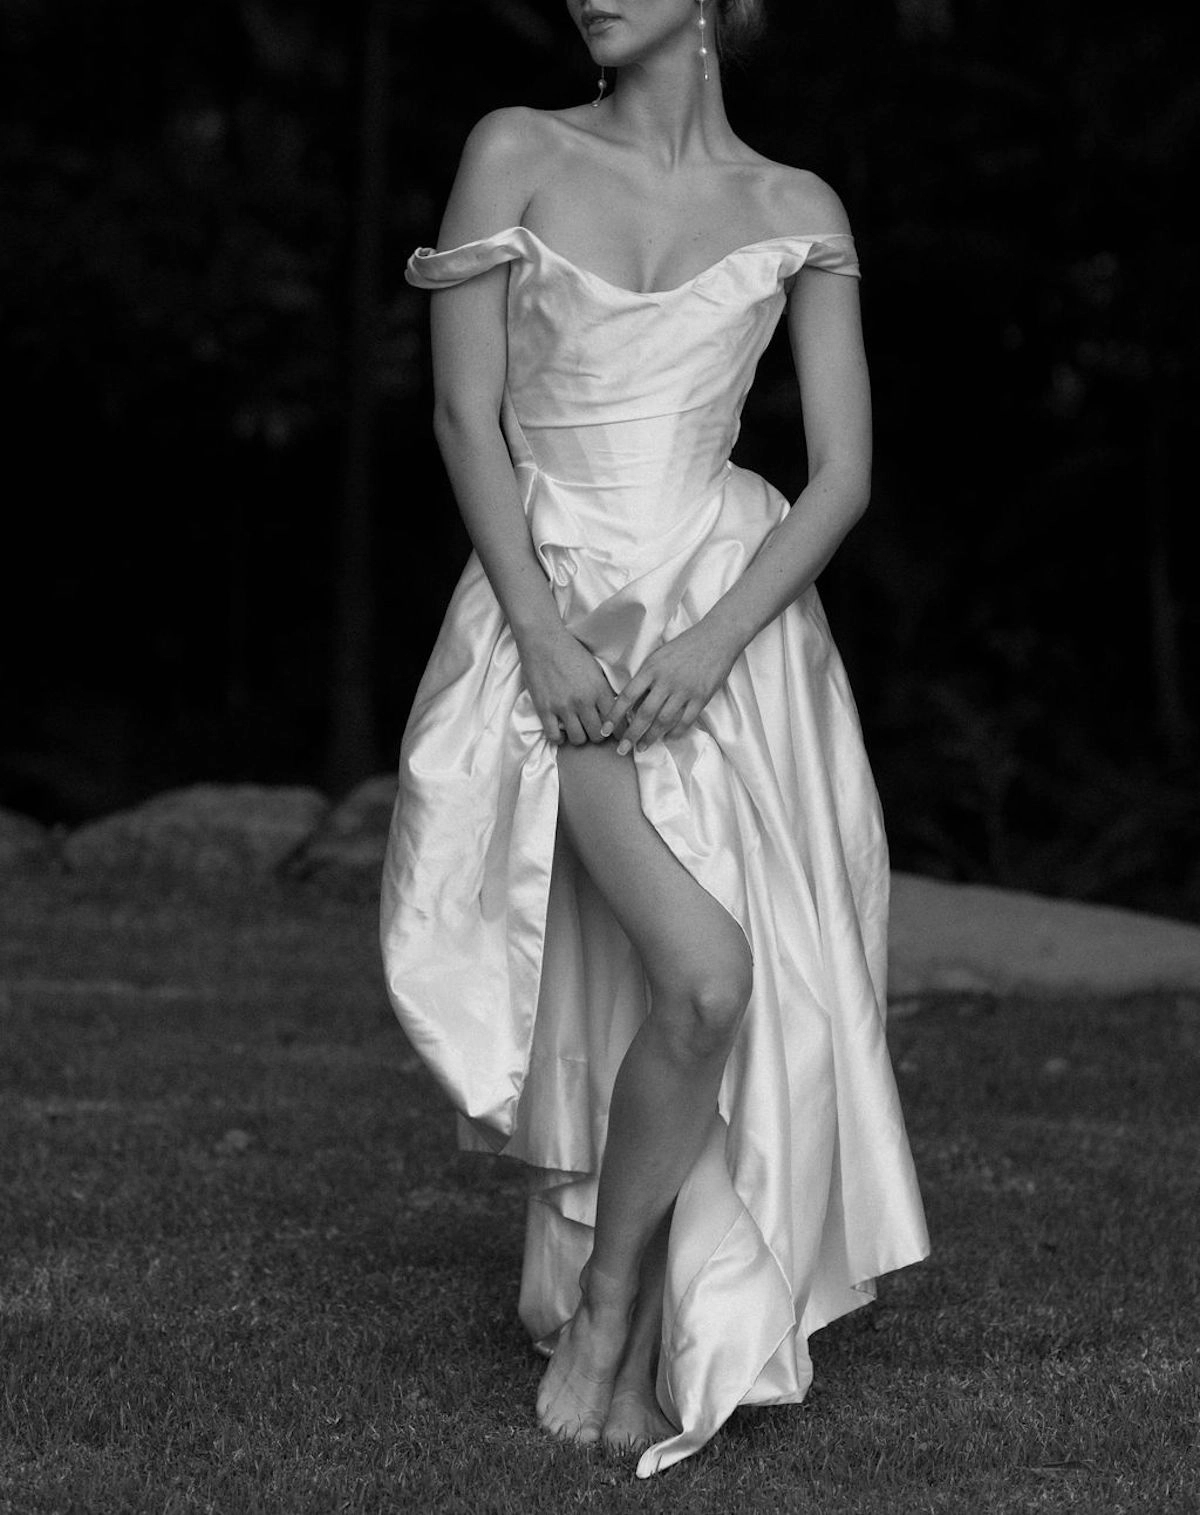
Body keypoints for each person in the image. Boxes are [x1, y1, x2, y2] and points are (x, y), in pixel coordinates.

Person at [381, 0, 929, 1479]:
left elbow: (843, 473)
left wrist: (711, 644)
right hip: (556, 617)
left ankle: (622, 1306)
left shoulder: (796, 204)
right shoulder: (515, 149)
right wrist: (547, 635)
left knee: (706, 987)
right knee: (705, 972)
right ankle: (609, 1311)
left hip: (730, 629)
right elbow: (464, 418)